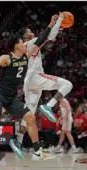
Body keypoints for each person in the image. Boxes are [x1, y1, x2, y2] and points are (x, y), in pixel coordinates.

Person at [0, 14, 58, 160]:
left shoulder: (26, 55)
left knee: (30, 118)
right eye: (22, 43)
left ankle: (37, 151)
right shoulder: (7, 58)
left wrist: (51, 25)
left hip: (12, 97)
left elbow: (40, 40)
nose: (24, 45)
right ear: (16, 45)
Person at [15, 12, 73, 148]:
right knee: (67, 84)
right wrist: (58, 20)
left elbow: (49, 36)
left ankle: (18, 141)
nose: (32, 32)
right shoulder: (30, 42)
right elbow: (47, 36)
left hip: (28, 82)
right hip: (35, 76)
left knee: (29, 113)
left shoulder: (23, 48)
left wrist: (55, 26)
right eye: (29, 31)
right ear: (25, 36)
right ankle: (49, 105)